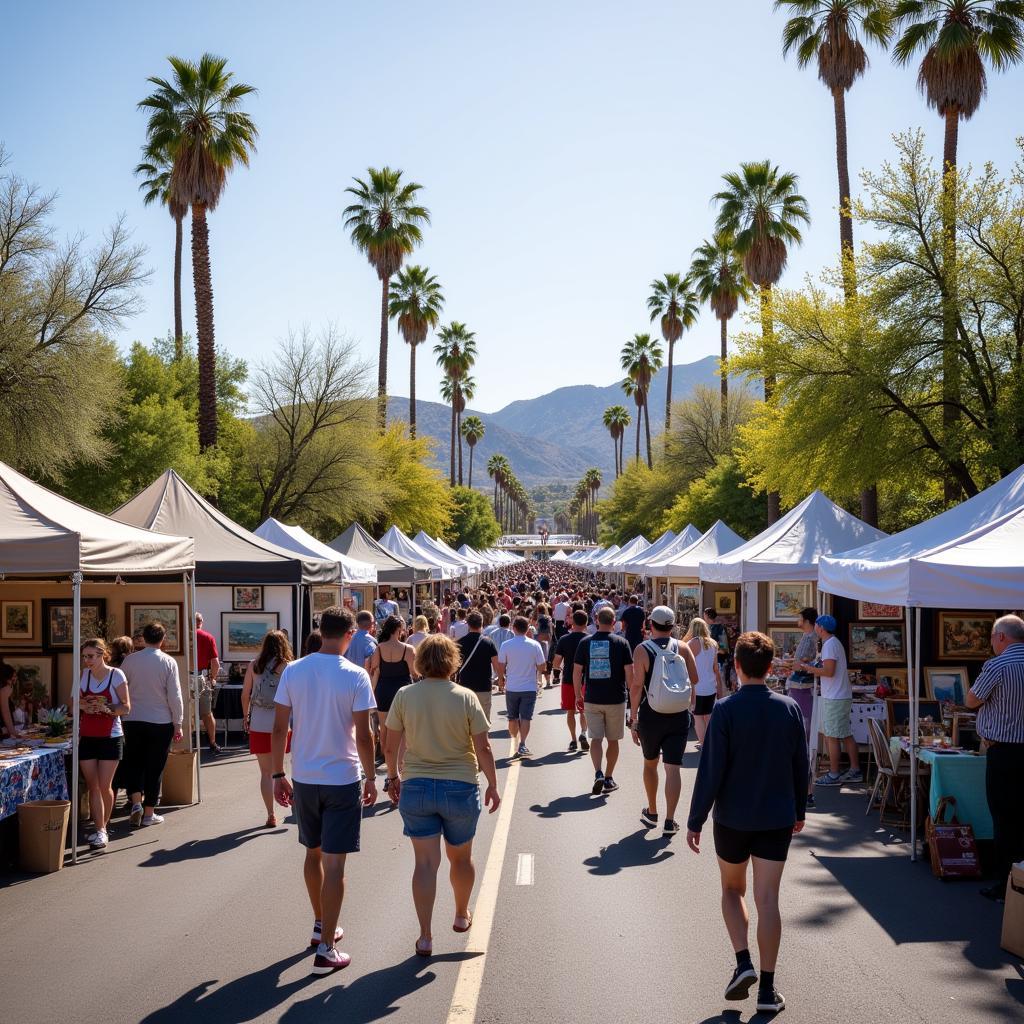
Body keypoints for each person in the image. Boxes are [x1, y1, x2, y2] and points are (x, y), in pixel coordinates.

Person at [686, 631, 808, 1015]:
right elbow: (799, 765)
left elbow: (711, 770)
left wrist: (695, 819)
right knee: (768, 899)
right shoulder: (789, 709)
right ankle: (768, 990)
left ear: (735, 666)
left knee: (732, 890)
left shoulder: (724, 710)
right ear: (771, 668)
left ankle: (743, 962)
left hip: (733, 817)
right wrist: (800, 811)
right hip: (776, 816)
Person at [272, 606, 377, 976]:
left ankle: (321, 925)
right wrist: (370, 776)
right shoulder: (356, 675)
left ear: (321, 630)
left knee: (312, 853)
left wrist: (275, 774)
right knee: (335, 863)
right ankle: (327, 947)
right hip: (341, 776)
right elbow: (363, 735)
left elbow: (279, 728)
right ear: (349, 634)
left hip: (304, 775)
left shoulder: (294, 669)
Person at [384, 634, 500, 956]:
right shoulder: (465, 697)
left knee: (424, 863)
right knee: (460, 858)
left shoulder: (405, 696)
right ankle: (462, 914)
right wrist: (492, 783)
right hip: (459, 785)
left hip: (417, 784)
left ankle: (425, 936)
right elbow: (484, 747)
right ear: (453, 661)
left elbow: (390, 744)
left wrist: (393, 776)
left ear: (420, 661)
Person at [966, 614, 1024, 903]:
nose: (991, 642)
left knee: (1004, 817)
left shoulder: (998, 664)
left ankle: (1006, 885)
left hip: (1005, 751)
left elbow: (972, 699)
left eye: (991, 636)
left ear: (1001, 637)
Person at [631, 607, 698, 834]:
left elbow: (637, 686)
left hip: (651, 714)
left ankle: (652, 811)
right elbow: (694, 679)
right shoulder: (683, 647)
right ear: (672, 626)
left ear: (651, 624)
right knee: (673, 768)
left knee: (650, 763)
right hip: (678, 715)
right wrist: (690, 705)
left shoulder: (642, 650)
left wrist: (633, 718)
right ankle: (670, 820)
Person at [121, 621, 184, 828]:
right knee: (155, 767)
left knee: (135, 763)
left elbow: (121, 688)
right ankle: (149, 813)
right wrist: (178, 722)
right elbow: (175, 695)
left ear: (143, 638)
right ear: (162, 639)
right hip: (160, 720)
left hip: (133, 718)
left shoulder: (130, 661)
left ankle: (136, 802)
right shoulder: (168, 662)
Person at [574, 606, 633, 795]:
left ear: (597, 620)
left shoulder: (585, 642)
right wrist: (633, 698)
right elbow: (629, 674)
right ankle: (608, 777)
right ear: (614, 622)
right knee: (613, 740)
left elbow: (576, 672)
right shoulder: (622, 643)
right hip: (616, 698)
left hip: (592, 698)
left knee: (596, 739)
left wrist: (578, 695)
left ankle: (598, 772)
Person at [797, 615, 862, 787]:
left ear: (821, 628)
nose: (816, 628)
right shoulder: (832, 643)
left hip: (835, 696)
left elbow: (829, 671)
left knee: (832, 736)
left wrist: (807, 668)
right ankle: (854, 770)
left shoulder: (829, 645)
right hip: (837, 695)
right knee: (844, 733)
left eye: (817, 625)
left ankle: (834, 774)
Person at [78, 638, 131, 850]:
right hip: (88, 734)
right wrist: (85, 705)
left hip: (111, 735)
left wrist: (108, 708)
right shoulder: (84, 676)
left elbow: (126, 707)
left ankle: (102, 829)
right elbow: (74, 705)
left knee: (103, 785)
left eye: (90, 656)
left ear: (102, 655)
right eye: (84, 657)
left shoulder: (116, 675)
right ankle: (100, 827)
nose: (87, 661)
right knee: (92, 786)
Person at [241, 629, 294, 827]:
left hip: (259, 724)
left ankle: (271, 814)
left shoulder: (254, 665)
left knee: (265, 773)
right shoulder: (287, 667)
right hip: (281, 723)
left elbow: (245, 695)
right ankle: (292, 802)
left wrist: (246, 716)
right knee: (282, 768)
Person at [368, 615, 416, 790]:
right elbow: (414, 672)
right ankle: (400, 770)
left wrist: (371, 694)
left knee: (385, 731)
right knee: (403, 732)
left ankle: (391, 773)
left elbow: (375, 672)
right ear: (399, 630)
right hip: (403, 692)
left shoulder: (378, 648)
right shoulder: (408, 649)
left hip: (383, 691)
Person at [497, 616, 547, 759]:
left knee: (512, 718)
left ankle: (515, 740)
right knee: (526, 717)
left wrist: (501, 680)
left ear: (514, 628)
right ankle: (523, 743)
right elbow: (541, 666)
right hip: (529, 687)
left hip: (512, 686)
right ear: (527, 629)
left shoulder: (506, 645)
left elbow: (501, 665)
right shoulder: (534, 645)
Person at [783, 608, 819, 807]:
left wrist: (794, 664)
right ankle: (805, 789)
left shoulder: (810, 637)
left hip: (802, 688)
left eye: (799, 617)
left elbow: (802, 662)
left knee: (802, 742)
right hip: (800, 687)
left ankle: (806, 790)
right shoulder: (810, 636)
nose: (797, 620)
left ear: (806, 620)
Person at [552, 610, 590, 752]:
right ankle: (584, 733)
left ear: (572, 623)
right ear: (586, 623)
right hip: (587, 680)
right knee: (583, 710)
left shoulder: (564, 640)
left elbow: (556, 662)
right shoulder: (590, 639)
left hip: (568, 678)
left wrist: (559, 669)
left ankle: (573, 740)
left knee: (570, 711)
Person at [684, 617, 723, 751]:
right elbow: (715, 669)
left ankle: (703, 742)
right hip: (711, 686)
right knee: (708, 715)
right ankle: (711, 741)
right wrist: (720, 686)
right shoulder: (713, 643)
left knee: (698, 716)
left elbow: (686, 664)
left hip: (697, 687)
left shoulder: (692, 643)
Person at [456, 611, 500, 724]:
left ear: (468, 625)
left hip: (464, 687)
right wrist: (501, 679)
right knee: (484, 721)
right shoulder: (488, 643)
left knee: (466, 722)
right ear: (482, 624)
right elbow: (496, 665)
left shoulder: (459, 643)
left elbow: (454, 666)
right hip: (483, 686)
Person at [194, 612, 222, 755]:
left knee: (182, 711)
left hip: (184, 676)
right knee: (207, 713)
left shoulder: (182, 636)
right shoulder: (208, 637)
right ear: (201, 622)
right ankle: (212, 742)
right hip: (201, 676)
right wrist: (212, 678)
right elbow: (215, 663)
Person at [705, 607, 733, 691]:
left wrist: (711, 651)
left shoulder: (719, 628)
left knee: (719, 687)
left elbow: (723, 649)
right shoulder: (705, 628)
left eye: (704, 615)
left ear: (707, 616)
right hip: (709, 664)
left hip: (719, 663)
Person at [1, 662, 21, 739]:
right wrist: (13, 732)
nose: (15, 678)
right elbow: (5, 711)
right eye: (13, 676)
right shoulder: (6, 688)